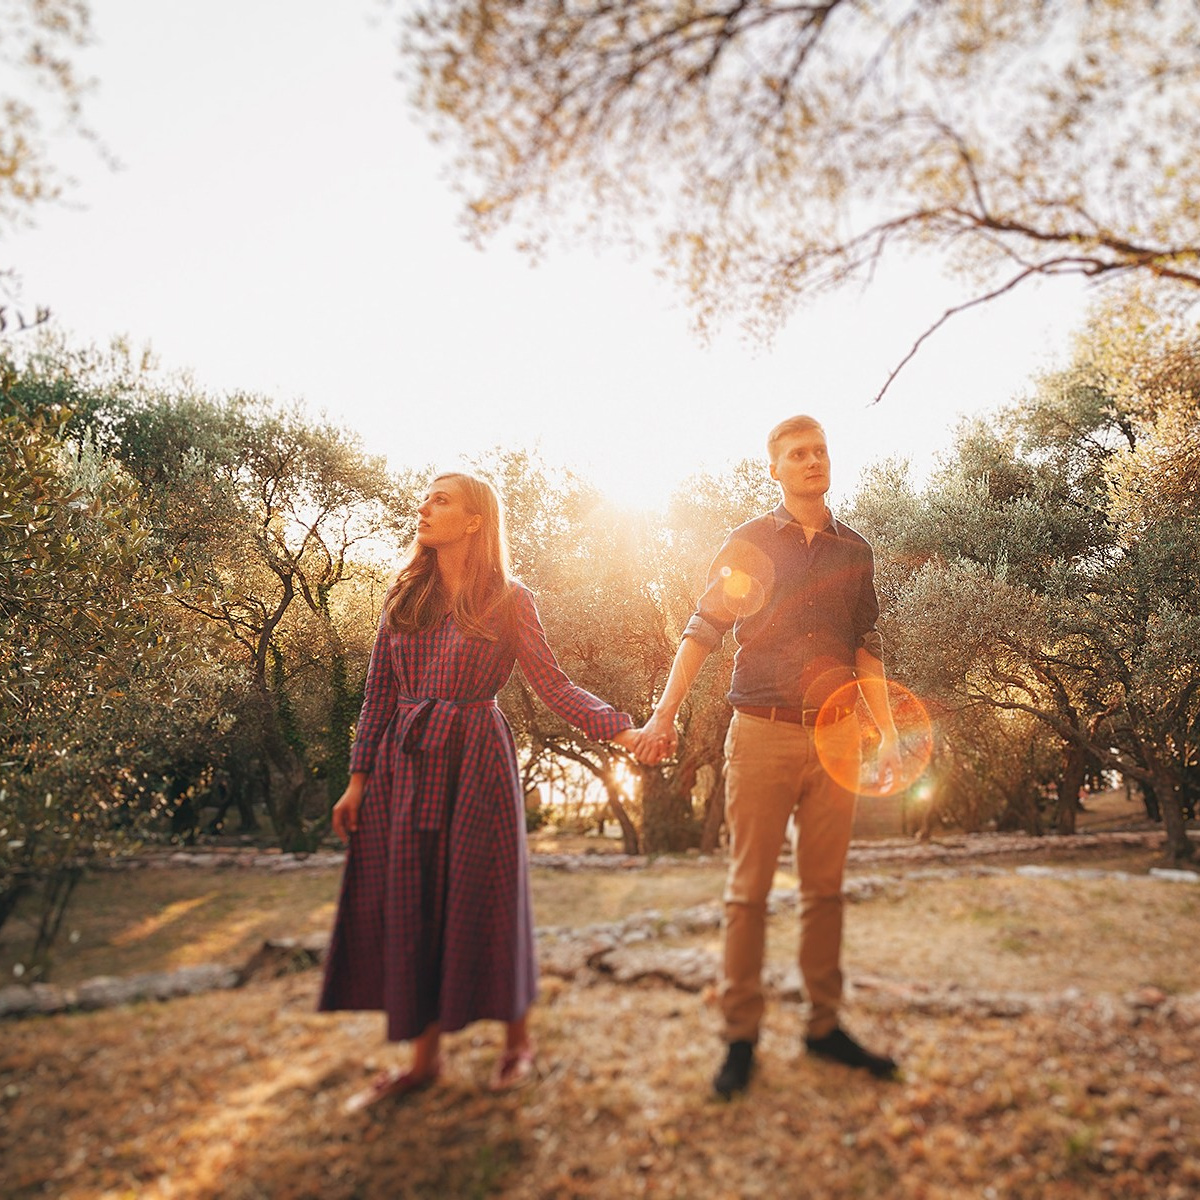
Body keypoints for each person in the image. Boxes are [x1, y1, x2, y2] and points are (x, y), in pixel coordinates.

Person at [319, 471, 640, 1109]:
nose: (424, 507)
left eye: (441, 499)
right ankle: (424, 1059)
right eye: (425, 498)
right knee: (415, 900)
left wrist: (626, 732)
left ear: (474, 521)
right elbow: (378, 694)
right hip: (404, 766)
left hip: (476, 761)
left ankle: (516, 1042)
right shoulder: (403, 597)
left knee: (488, 893)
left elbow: (554, 688)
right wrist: (356, 781)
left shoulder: (510, 598)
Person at [636, 415, 902, 1097]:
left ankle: (824, 1027)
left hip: (837, 736)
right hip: (760, 732)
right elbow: (702, 631)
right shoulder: (748, 542)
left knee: (825, 891)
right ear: (775, 469)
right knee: (748, 892)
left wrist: (891, 732)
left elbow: (864, 644)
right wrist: (665, 712)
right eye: (797, 454)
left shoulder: (856, 549)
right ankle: (740, 1037)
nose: (813, 461)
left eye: (820, 451)